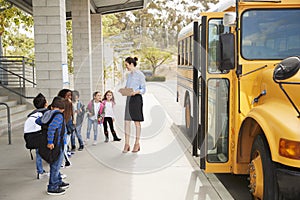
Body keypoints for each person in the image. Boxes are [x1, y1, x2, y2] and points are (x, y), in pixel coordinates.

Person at [39, 96, 69, 195]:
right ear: (62, 109)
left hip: (57, 143)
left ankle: (58, 181)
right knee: (56, 165)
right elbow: (51, 128)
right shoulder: (58, 116)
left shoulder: (48, 113)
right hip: (57, 144)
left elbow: (38, 121)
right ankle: (53, 186)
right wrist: (50, 142)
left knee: (55, 164)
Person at [121, 57, 146, 153]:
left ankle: (137, 143)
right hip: (129, 98)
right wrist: (125, 89)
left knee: (136, 122)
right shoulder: (129, 75)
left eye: (126, 65)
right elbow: (128, 86)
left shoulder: (140, 75)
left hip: (136, 99)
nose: (126, 67)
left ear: (131, 64)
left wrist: (136, 92)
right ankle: (127, 144)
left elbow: (144, 89)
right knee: (127, 121)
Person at [24, 93, 49, 179]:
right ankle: (40, 172)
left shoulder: (33, 114)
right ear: (45, 104)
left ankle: (41, 171)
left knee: (39, 153)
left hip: (31, 136)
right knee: (39, 153)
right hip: (37, 136)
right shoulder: (41, 114)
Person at [57, 89, 73, 168]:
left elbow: (72, 113)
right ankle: (64, 160)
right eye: (68, 95)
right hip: (63, 125)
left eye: (70, 95)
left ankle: (65, 157)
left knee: (65, 142)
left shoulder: (69, 103)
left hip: (68, 124)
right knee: (63, 144)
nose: (69, 97)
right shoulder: (62, 103)